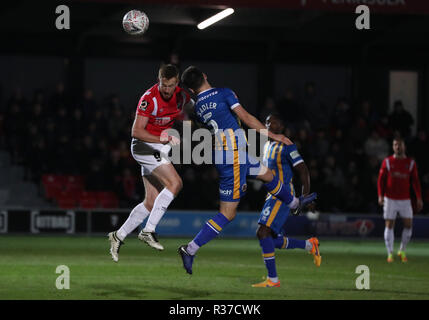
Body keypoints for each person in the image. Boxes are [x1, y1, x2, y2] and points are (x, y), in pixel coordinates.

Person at [178, 66, 317, 275]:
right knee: (228, 214)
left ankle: (295, 203)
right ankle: (190, 249)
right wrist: (274, 135)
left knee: (267, 175)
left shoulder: (197, 108)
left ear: (190, 89)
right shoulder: (224, 92)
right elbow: (248, 118)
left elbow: (204, 127)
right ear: (205, 76)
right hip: (232, 156)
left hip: (234, 153)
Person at [108, 64, 193, 262]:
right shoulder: (149, 99)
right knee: (175, 183)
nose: (166, 89)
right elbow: (136, 131)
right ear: (159, 80)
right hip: (143, 146)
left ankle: (118, 235)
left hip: (158, 148)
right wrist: (164, 139)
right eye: (163, 84)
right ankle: (148, 230)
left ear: (177, 83)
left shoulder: (182, 96)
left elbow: (195, 108)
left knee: (151, 201)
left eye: (170, 85)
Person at [252, 113, 320, 288]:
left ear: (281, 126)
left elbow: (303, 170)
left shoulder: (287, 145)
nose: (267, 124)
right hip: (272, 195)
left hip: (282, 195)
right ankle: (309, 245)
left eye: (272, 122)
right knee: (270, 238)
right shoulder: (267, 145)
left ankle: (273, 279)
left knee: (262, 232)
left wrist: (305, 197)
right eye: (266, 122)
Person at [377, 137, 423, 263]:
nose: (398, 147)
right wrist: (380, 195)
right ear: (393, 147)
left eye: (400, 145)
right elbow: (381, 180)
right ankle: (390, 253)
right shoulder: (387, 161)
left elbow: (415, 181)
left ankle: (402, 250)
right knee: (389, 224)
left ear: (404, 147)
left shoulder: (410, 163)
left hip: (405, 199)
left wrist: (419, 197)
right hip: (390, 199)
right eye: (395, 145)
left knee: (408, 225)